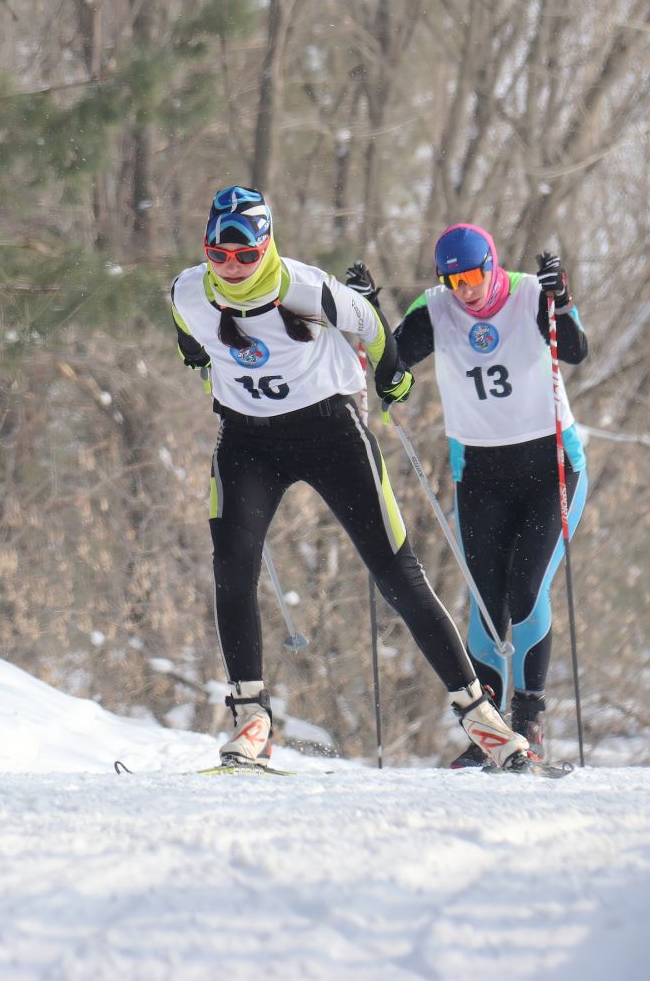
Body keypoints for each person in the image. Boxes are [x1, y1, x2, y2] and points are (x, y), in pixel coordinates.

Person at [168, 187, 535, 772]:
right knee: (232, 566)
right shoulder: (189, 290)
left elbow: (376, 333)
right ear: (207, 250)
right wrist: (194, 351)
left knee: (396, 571)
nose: (232, 267)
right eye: (220, 255)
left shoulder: (309, 289)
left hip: (330, 433)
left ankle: (479, 714)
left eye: (245, 253)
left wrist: (392, 379)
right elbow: (187, 330)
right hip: (246, 441)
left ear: (267, 246)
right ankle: (249, 718)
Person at [345, 223, 587, 766]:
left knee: (526, 591)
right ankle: (491, 731)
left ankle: (530, 716)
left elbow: (574, 350)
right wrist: (369, 313)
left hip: (551, 466)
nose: (467, 290)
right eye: (454, 280)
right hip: (480, 473)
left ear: (493, 266)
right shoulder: (439, 310)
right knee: (485, 602)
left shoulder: (528, 294)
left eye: (476, 276)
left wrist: (561, 299)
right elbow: (393, 366)